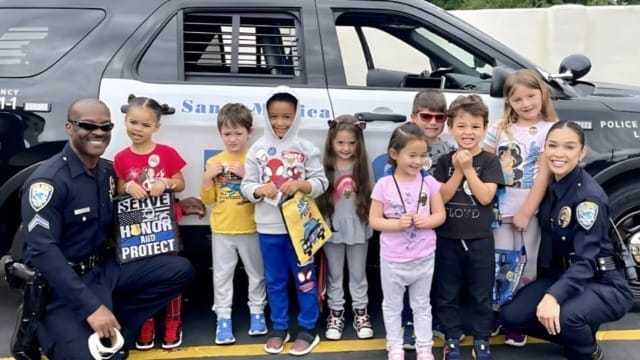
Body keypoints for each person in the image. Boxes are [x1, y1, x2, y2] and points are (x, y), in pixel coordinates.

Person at [19, 98, 194, 359]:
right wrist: (91, 308)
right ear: (69, 127)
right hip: (64, 286)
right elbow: (42, 251)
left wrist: (179, 202)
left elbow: (131, 207)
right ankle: (50, 327)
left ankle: (114, 323)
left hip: (103, 272)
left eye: (105, 127)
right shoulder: (49, 182)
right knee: (91, 357)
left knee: (179, 270)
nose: (98, 132)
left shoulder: (108, 173)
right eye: (87, 125)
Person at [500, 121, 633, 360]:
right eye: (553, 146)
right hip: (562, 275)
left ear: (582, 152)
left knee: (565, 316)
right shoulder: (553, 184)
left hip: (601, 281)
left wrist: (553, 297)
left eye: (569, 147)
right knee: (512, 316)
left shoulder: (587, 199)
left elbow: (586, 261)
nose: (559, 154)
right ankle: (579, 329)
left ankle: (587, 350)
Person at [241, 86, 328, 356]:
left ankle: (308, 328)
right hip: (269, 229)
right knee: (275, 280)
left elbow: (321, 182)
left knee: (305, 279)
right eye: (275, 117)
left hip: (300, 230)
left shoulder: (307, 148)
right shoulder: (256, 149)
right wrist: (257, 190)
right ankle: (279, 327)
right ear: (266, 116)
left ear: (296, 116)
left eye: (287, 117)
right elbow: (245, 185)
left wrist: (302, 184)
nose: (280, 123)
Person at [483, 69, 559, 346]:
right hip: (498, 211)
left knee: (527, 267)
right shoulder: (499, 128)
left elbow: (543, 175)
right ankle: (496, 312)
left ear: (542, 93)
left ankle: (519, 318)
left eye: (530, 96)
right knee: (499, 264)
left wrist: (527, 211)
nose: (525, 103)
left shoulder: (550, 129)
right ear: (508, 102)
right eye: (517, 99)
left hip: (530, 212)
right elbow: (487, 165)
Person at [432, 95, 504, 360]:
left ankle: (482, 338)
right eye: (461, 126)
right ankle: (452, 338)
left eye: (475, 126)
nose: (468, 132)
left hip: (480, 238)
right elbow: (440, 197)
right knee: (447, 291)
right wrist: (458, 171)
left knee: (481, 292)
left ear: (485, 128)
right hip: (448, 237)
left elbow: (486, 197)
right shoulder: (443, 162)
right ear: (451, 127)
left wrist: (468, 169)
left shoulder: (489, 162)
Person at [113, 95, 188, 350]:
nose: (138, 129)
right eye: (133, 122)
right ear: (125, 121)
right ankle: (145, 321)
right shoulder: (121, 158)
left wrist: (164, 182)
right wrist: (129, 186)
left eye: (146, 125)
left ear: (156, 127)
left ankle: (173, 320)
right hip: (136, 227)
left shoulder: (166, 154)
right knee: (144, 277)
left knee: (171, 274)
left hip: (165, 225)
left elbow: (180, 183)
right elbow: (119, 185)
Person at [369, 123, 446, 360]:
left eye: (422, 155)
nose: (418, 161)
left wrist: (427, 221)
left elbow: (440, 215)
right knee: (392, 305)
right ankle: (394, 345)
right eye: (412, 155)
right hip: (393, 258)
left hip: (423, 255)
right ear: (394, 154)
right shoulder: (384, 185)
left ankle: (424, 347)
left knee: (422, 304)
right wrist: (397, 224)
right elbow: (374, 220)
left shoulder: (429, 183)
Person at [200, 103, 267, 345]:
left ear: (249, 132)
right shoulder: (215, 162)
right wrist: (208, 178)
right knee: (221, 275)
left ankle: (257, 312)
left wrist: (245, 176)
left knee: (256, 273)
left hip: (251, 227)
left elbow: (263, 194)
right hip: (222, 229)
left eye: (238, 133)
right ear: (220, 134)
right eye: (227, 134)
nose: (232, 139)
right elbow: (208, 199)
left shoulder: (255, 159)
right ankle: (223, 317)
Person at [404, 89, 457, 348]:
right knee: (407, 275)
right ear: (413, 117)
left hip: (438, 221)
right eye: (426, 116)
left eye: (440, 117)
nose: (433, 122)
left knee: (435, 274)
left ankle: (432, 320)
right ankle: (407, 323)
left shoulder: (449, 149)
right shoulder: (402, 145)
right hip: (408, 225)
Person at [316, 114, 374, 341]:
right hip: (332, 228)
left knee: (359, 274)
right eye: (340, 142)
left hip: (359, 227)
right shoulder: (325, 167)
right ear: (331, 142)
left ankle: (361, 313)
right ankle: (336, 313)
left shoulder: (363, 166)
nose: (346, 148)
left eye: (351, 143)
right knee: (334, 274)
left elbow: (374, 195)